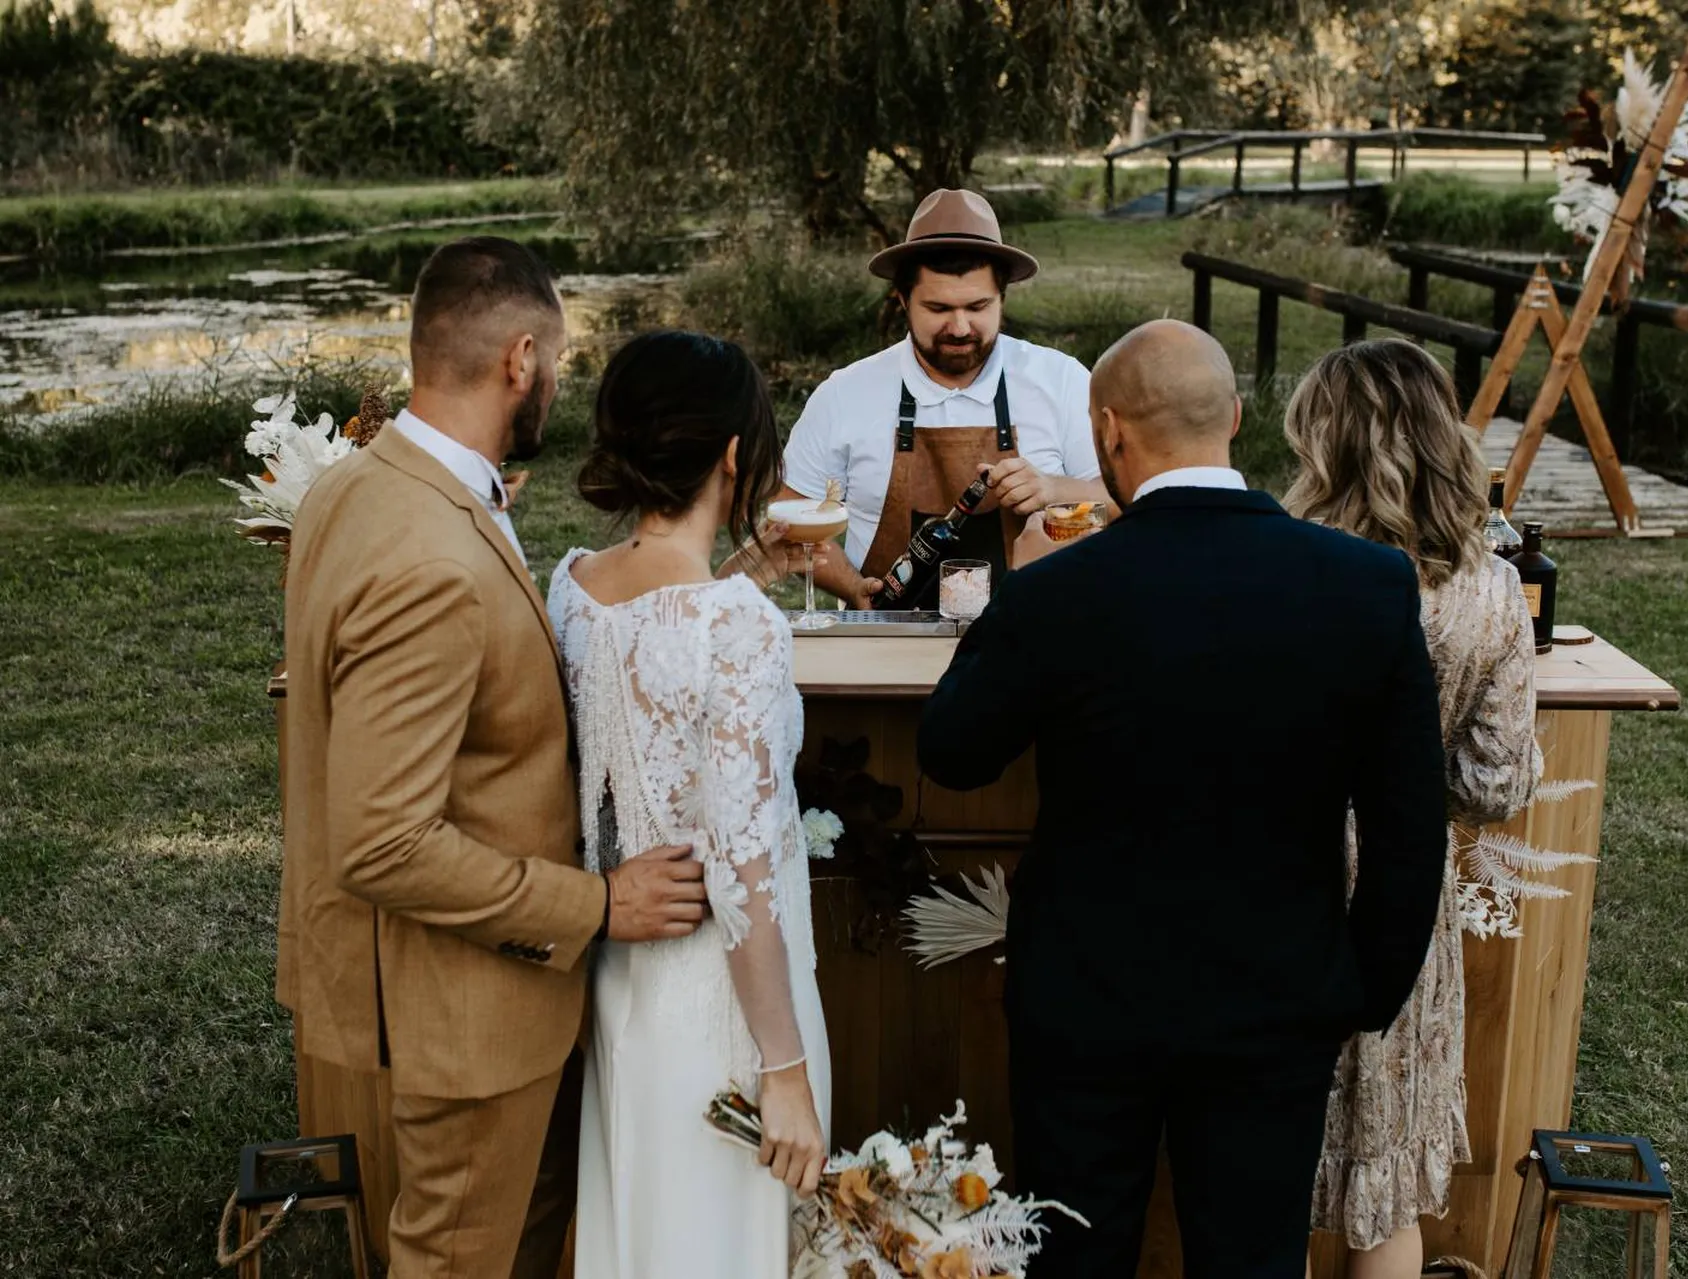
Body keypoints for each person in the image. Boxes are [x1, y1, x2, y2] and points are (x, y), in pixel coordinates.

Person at [917, 319, 1452, 1279]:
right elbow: (1411, 822)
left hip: (1086, 1003)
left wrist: (1012, 602)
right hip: (1278, 999)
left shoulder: (1059, 591)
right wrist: (1359, 989)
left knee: (1075, 1265)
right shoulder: (1366, 585)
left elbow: (953, 751)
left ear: (1110, 434)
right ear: (1237, 419)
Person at [279, 237, 709, 1278]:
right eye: (555, 360)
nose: (556, 379)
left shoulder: (364, 485)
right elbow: (382, 839)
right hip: (466, 1018)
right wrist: (597, 906)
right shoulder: (430, 554)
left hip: (439, 998)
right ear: (522, 359)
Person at [550, 330, 829, 1276]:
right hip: (729, 1001)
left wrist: (748, 565)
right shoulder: (739, 626)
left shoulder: (575, 587)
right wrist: (783, 1072)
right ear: (738, 456)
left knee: (651, 1236)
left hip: (627, 984)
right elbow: (743, 871)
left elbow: (654, 649)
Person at [1285, 341, 1542, 1279]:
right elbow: (1499, 784)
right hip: (1404, 893)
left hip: (1283, 874)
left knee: (1268, 1162)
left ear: (1326, 443)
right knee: (1381, 1174)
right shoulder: (1491, 590)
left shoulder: (1292, 567)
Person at [779, 188, 1108, 607]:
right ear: (902, 300)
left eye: (978, 306)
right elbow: (790, 519)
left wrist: (1054, 490)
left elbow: (1120, 508)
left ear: (1003, 297)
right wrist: (853, 589)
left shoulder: (1060, 381)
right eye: (937, 309)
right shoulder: (845, 394)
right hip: (885, 642)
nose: (959, 327)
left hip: (1029, 641)